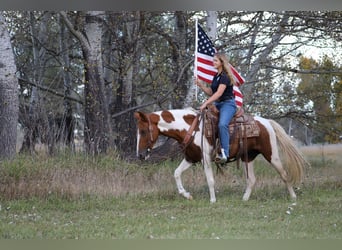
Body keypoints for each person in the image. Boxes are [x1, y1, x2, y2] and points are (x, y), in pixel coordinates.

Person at [195, 52, 237, 163]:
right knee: (202, 119)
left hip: (228, 104)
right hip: (218, 104)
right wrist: (201, 85)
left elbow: (218, 93)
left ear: (221, 63)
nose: (213, 62)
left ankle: (225, 154)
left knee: (222, 124)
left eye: (215, 61)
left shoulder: (225, 77)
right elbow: (211, 92)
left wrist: (205, 104)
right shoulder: (216, 76)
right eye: (213, 60)